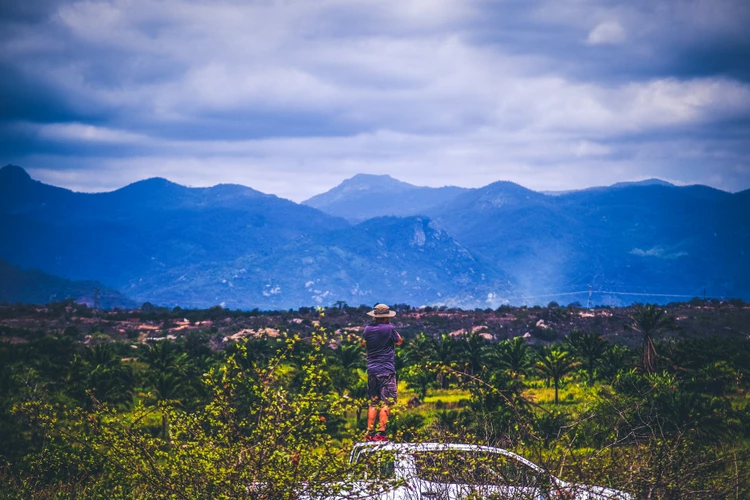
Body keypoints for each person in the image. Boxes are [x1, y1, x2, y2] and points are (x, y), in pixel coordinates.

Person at [362, 303, 403, 442]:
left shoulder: (367, 329)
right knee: (387, 402)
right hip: (386, 370)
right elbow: (399, 341)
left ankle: (369, 432)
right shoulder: (390, 328)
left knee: (373, 402)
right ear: (386, 317)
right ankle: (381, 433)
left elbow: (363, 343)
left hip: (372, 370)